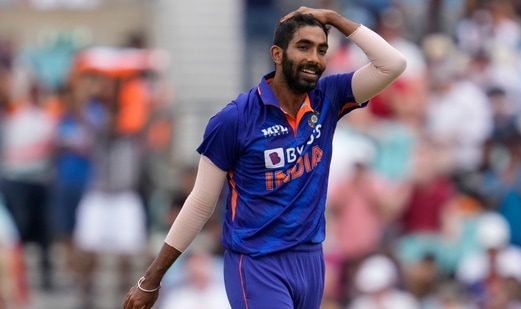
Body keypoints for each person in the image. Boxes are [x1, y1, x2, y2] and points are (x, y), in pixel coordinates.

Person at [123, 6, 406, 309]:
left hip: (310, 261)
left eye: (321, 50)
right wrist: (152, 278)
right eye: (303, 47)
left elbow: (392, 64)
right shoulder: (235, 120)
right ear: (277, 54)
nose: (314, 58)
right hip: (257, 263)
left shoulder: (328, 97)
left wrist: (336, 19)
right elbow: (201, 203)